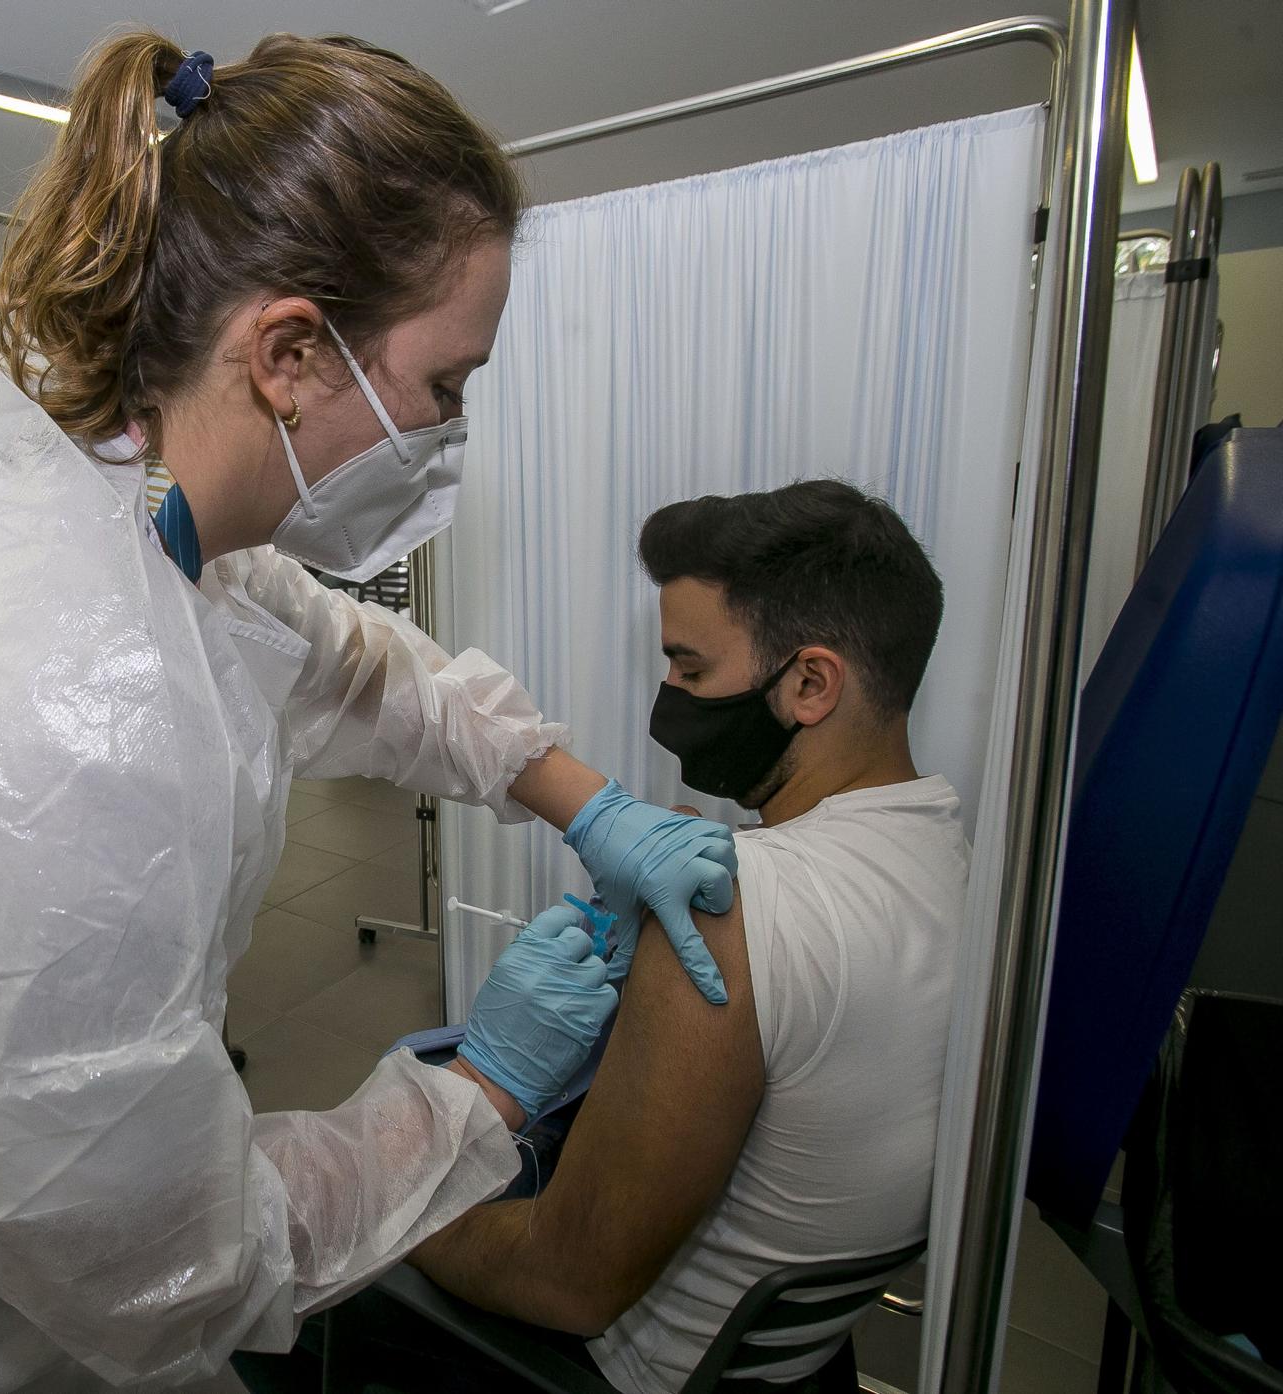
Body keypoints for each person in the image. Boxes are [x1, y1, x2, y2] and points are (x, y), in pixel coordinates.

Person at [0, 32, 736, 1394]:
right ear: (292, 350)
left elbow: (360, 667)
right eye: (446, 386)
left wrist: (586, 802)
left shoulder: (134, 499)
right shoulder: (47, 715)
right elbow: (159, 1266)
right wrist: (477, 1093)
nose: (450, 434)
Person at [397, 480, 968, 1394]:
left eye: (691, 670)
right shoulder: (953, 857)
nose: (670, 697)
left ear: (811, 683)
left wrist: (393, 1207)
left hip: (617, 1364)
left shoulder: (733, 911)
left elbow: (565, 1283)